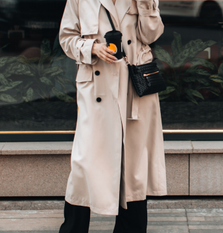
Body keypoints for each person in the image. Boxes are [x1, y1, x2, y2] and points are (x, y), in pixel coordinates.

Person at [58, 0, 166, 232]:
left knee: (134, 165)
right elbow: (66, 38)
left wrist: (147, 5)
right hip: (97, 88)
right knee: (84, 163)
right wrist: (91, 49)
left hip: (134, 90)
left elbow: (151, 36)